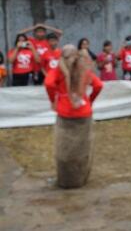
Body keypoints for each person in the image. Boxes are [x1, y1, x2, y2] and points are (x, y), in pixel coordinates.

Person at [44, 45, 103, 188]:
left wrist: (53, 100)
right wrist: (90, 101)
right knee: (83, 149)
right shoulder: (84, 70)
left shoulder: (59, 71)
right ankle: (81, 179)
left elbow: (49, 83)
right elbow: (99, 85)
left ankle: (65, 181)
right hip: (84, 114)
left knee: (64, 151)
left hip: (66, 114)